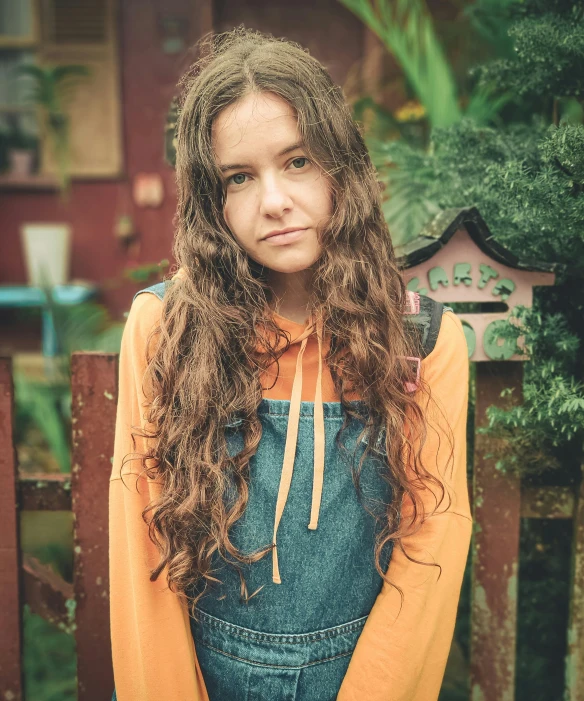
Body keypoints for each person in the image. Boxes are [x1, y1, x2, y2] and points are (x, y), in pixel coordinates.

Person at [109, 26, 472, 701]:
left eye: (298, 161)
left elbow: (432, 544)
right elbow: (143, 548)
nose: (273, 200)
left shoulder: (420, 340)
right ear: (210, 202)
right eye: (238, 177)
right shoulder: (163, 329)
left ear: (342, 165)